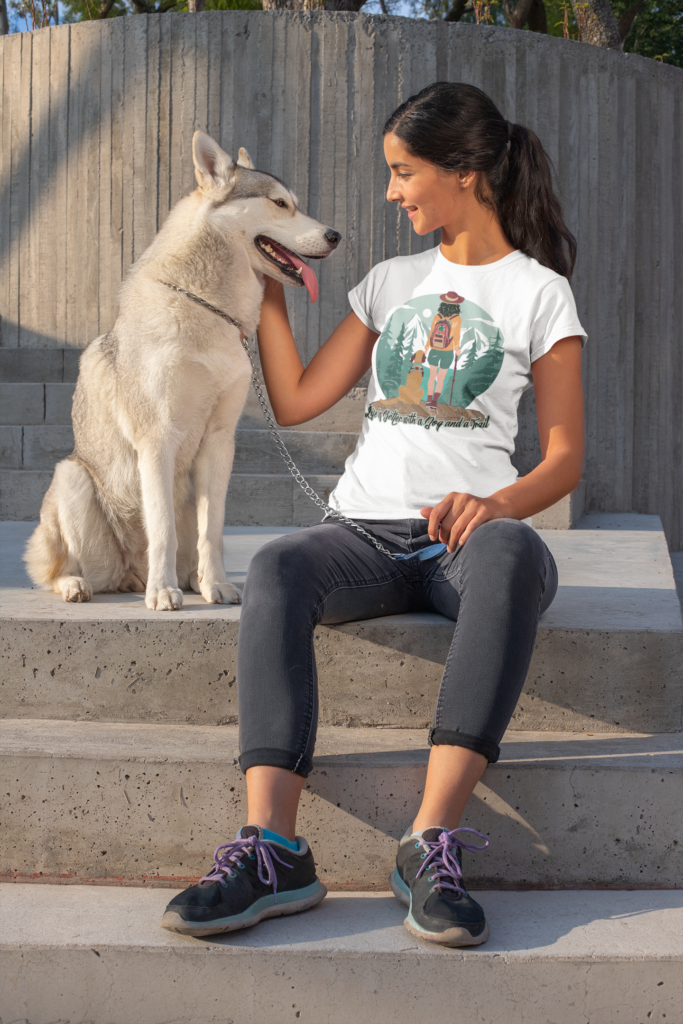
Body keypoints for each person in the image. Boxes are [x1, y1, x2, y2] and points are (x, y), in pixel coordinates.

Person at [161, 82, 586, 947]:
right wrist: (270, 284)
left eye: (402, 172)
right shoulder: (389, 282)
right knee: (280, 563)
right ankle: (273, 849)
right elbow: (296, 400)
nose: (390, 192)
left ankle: (427, 844)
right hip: (362, 535)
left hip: (468, 539)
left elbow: (565, 456)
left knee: (508, 557)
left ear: (463, 173)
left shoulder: (537, 293)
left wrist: (494, 505)